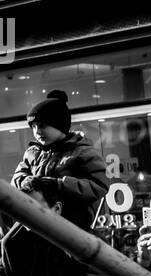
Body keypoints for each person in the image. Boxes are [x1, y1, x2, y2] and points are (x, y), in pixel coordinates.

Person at [10, 89, 108, 230]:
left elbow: (99, 186)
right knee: (10, 242)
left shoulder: (82, 151)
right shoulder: (32, 153)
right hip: (37, 217)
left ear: (59, 124)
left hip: (71, 221)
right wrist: (25, 180)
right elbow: (16, 179)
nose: (37, 131)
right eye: (34, 126)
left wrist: (60, 184)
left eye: (42, 125)